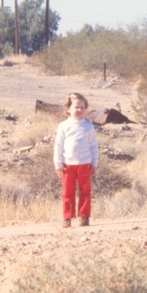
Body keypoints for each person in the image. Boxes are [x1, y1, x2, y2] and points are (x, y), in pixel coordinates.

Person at [53, 92, 99, 228]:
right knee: (67, 192)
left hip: (85, 165)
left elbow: (94, 146)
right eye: (76, 107)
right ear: (68, 109)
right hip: (67, 166)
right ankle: (67, 218)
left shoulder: (88, 126)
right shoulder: (63, 126)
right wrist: (57, 163)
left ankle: (84, 217)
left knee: (85, 191)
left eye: (83, 107)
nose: (80, 110)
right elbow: (58, 146)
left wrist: (94, 163)